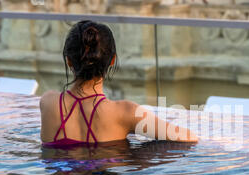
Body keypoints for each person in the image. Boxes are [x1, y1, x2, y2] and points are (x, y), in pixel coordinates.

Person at [40, 20, 198, 147]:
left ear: (68, 61)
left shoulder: (48, 102)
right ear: (112, 60)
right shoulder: (125, 112)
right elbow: (189, 137)